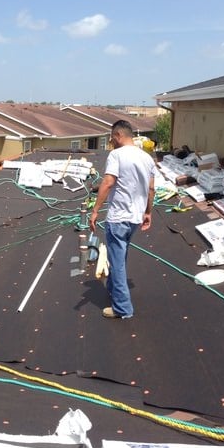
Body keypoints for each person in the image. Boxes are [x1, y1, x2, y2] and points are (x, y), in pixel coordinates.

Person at [89, 119, 156, 319]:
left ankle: (122, 308)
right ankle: (112, 288)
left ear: (118, 135)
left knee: (117, 262)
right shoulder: (147, 158)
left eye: (112, 138)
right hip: (135, 217)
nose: (111, 142)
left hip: (119, 217)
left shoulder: (116, 155)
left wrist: (95, 210)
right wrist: (148, 212)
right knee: (119, 256)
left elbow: (108, 182)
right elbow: (151, 189)